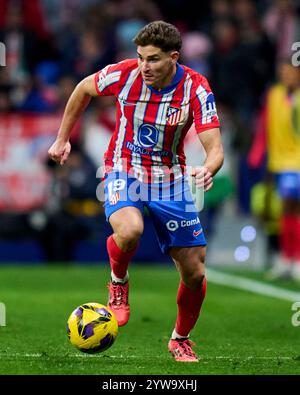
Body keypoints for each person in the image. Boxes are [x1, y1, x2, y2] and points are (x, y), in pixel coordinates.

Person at [48, 21, 224, 362]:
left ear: (174, 57)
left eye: (154, 59)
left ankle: (180, 339)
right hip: (122, 168)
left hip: (170, 179)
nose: (145, 66)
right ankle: (118, 282)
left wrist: (208, 167)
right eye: (141, 57)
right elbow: (83, 88)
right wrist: (62, 138)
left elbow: (214, 147)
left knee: (195, 271)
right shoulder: (124, 73)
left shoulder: (196, 88)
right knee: (129, 231)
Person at [248, 59, 300, 281]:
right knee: (285, 210)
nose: (287, 76)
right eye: (283, 73)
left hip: (296, 161)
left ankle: (294, 259)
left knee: (292, 207)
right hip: (279, 161)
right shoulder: (274, 95)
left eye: (291, 73)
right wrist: (258, 154)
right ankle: (287, 258)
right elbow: (264, 126)